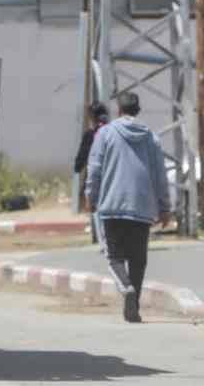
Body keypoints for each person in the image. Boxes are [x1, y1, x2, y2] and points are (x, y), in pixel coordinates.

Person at [86, 92, 172, 323]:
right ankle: (132, 309)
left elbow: (95, 167)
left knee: (114, 257)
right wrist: (164, 207)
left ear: (119, 110)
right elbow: (160, 175)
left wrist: (90, 195)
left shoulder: (105, 133)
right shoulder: (151, 138)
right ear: (138, 110)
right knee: (138, 260)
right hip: (142, 208)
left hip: (112, 205)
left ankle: (126, 288)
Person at [75, 101, 111, 244]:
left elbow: (82, 156)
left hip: (96, 176)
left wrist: (78, 167)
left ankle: (104, 241)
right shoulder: (113, 131)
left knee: (95, 207)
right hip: (113, 175)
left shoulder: (91, 134)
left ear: (92, 117)